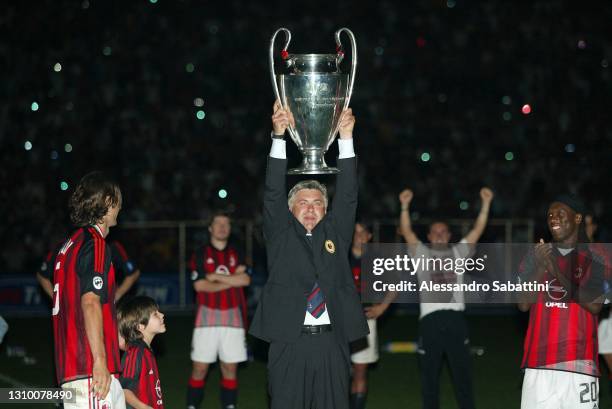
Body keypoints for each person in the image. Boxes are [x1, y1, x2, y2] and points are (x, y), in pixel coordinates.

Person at [249, 101, 368, 409]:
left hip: (332, 342)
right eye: (303, 202)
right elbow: (274, 192)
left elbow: (349, 195)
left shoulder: (337, 234)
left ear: (327, 211)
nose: (312, 208)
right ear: (290, 210)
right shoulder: (280, 235)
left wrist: (346, 139)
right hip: (290, 341)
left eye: (318, 203)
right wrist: (278, 138)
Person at [399, 187, 494, 409]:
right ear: (429, 237)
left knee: (463, 377)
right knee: (429, 378)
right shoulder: (421, 254)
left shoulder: (458, 253)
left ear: (449, 236)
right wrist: (404, 206)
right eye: (435, 232)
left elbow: (478, 229)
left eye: (444, 232)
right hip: (430, 321)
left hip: (455, 320)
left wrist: (486, 203)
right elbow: (406, 231)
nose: (440, 234)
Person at [518, 195, 605, 409]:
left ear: (577, 218)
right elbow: (522, 303)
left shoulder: (595, 257)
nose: (553, 219)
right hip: (539, 365)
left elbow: (594, 305)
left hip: (580, 366)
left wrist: (555, 269)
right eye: (549, 215)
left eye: (560, 214)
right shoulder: (536, 254)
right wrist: (541, 266)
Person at [52, 171, 125, 408]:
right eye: (117, 200)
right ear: (106, 202)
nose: (120, 206)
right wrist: (100, 361)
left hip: (74, 368)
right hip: (89, 369)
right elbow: (90, 302)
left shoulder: (69, 245)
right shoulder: (95, 244)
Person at [186, 212, 250, 409]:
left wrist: (214, 276)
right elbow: (200, 286)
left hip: (234, 317)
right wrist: (232, 279)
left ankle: (229, 406)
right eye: (218, 223)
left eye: (226, 224)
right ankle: (192, 406)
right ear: (210, 228)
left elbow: (246, 280)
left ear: (229, 229)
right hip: (207, 317)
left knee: (230, 367)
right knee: (200, 368)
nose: (222, 227)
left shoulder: (237, 252)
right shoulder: (199, 253)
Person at [349, 222, 392, 409]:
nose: (359, 236)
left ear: (368, 236)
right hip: (336, 321)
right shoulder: (336, 255)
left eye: (362, 232)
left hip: (364, 321)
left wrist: (382, 308)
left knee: (359, 371)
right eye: (355, 232)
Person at [37, 239, 141, 303]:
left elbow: (133, 273)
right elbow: (42, 274)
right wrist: (57, 299)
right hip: (73, 308)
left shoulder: (111, 246)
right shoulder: (65, 245)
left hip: (103, 306)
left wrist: (116, 296)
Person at [118, 296, 166, 409]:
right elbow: (124, 389)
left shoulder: (146, 351)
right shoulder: (136, 352)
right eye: (155, 314)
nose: (162, 315)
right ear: (140, 326)